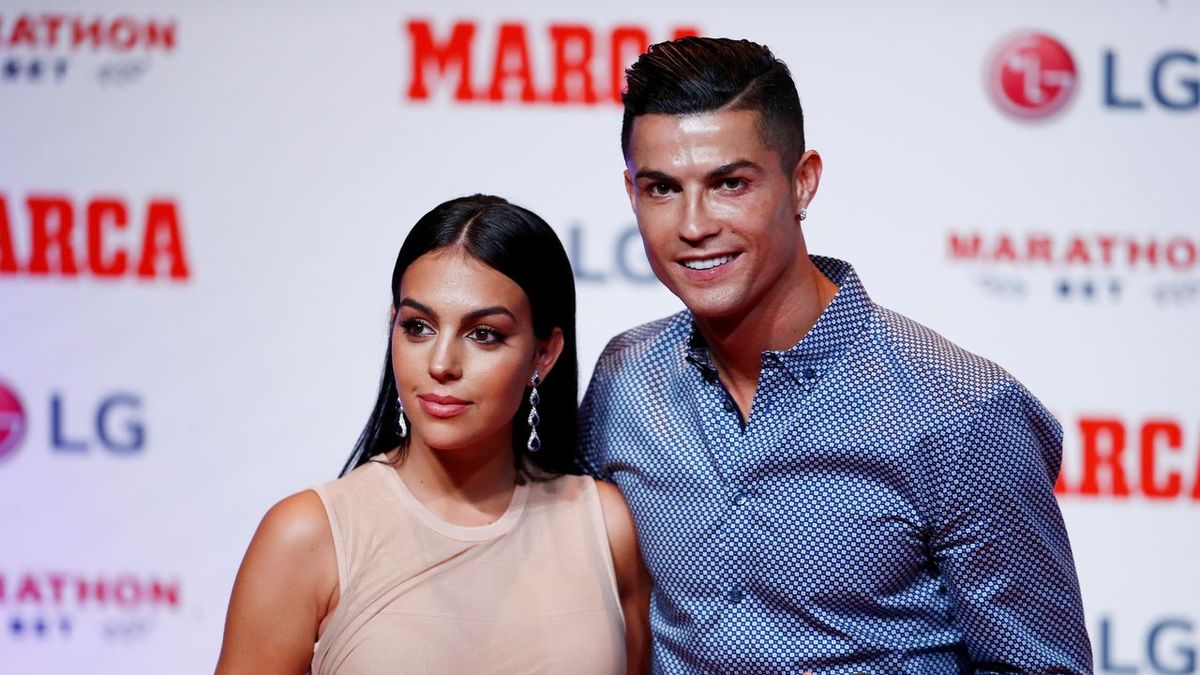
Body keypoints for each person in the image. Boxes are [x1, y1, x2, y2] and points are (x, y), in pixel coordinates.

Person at [578, 37, 1092, 673]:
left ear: (802, 182)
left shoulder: (963, 411)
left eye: (729, 183)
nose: (692, 224)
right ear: (631, 193)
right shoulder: (626, 380)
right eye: (661, 189)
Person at [216, 195, 650, 674]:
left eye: (484, 334)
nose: (442, 364)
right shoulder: (308, 535)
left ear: (543, 354)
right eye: (418, 327)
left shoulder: (606, 526)